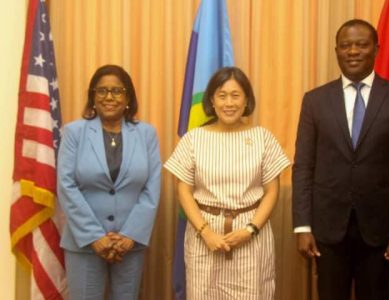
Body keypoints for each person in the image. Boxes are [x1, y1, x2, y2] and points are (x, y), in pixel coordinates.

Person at [292, 19, 389, 300]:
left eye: (361, 45)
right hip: (327, 231)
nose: (353, 51)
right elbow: (303, 166)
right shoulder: (314, 101)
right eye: (346, 45)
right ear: (336, 50)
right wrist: (302, 226)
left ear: (376, 49)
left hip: (380, 233)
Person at [165, 66, 290, 299]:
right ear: (212, 100)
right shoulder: (194, 139)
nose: (229, 103)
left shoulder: (262, 138)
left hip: (250, 233)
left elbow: (272, 191)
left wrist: (250, 230)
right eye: (222, 96)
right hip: (205, 233)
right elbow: (182, 189)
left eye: (236, 95)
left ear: (246, 101)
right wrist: (205, 232)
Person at [57, 64, 161, 300]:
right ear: (92, 97)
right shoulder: (74, 132)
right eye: (102, 91)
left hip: (129, 244)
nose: (109, 97)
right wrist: (95, 237)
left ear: (128, 97)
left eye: (117, 91)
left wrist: (130, 235)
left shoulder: (146, 134)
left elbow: (152, 187)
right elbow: (66, 185)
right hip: (84, 243)